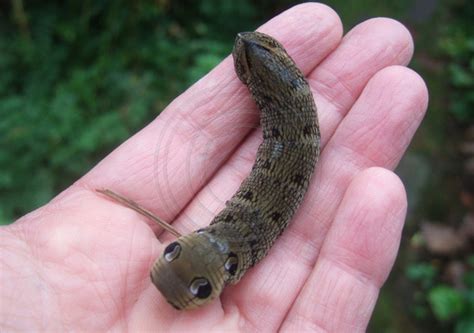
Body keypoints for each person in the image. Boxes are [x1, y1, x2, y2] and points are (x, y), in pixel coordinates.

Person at [0, 3, 428, 332]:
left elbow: (291, 131)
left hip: (288, 132)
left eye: (171, 253)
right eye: (198, 285)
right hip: (287, 137)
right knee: (295, 138)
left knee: (294, 134)